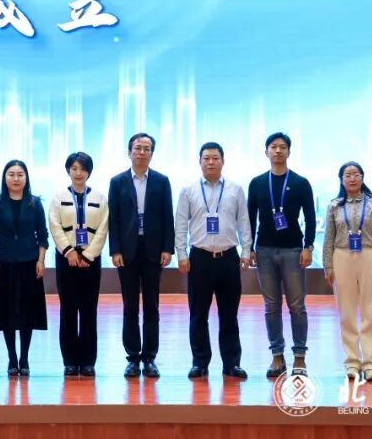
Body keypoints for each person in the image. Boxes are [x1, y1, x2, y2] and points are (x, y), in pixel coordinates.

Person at [175, 142, 252, 380]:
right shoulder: (188, 190)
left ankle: (231, 364)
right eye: (206, 158)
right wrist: (181, 254)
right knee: (198, 315)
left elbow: (243, 221)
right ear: (199, 161)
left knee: (229, 314)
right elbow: (181, 224)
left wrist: (246, 250)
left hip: (228, 258)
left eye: (215, 158)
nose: (211, 162)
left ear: (223, 161)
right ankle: (200, 363)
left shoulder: (235, 189)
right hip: (199, 258)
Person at [247, 132, 316, 377]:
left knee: (297, 306)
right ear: (266, 151)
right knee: (271, 306)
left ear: (289, 152)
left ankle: (300, 358)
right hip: (264, 251)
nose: (278, 150)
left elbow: (310, 217)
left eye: (282, 147)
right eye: (273, 147)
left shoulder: (300, 182)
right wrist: (249, 248)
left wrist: (308, 247)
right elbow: (249, 217)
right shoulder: (257, 183)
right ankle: (277, 356)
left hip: (293, 250)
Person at [107, 132, 174, 378]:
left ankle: (150, 358)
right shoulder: (117, 182)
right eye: (138, 148)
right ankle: (133, 357)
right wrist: (115, 249)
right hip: (127, 251)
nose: (142, 152)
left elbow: (168, 215)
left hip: (153, 250)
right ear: (130, 152)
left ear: (152, 153)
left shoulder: (161, 181)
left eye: (147, 148)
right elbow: (113, 218)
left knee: (152, 307)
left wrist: (168, 248)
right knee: (130, 306)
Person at [322, 161, 372, 383]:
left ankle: (371, 365)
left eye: (356, 174)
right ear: (341, 180)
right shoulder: (334, 206)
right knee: (347, 313)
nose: (352, 178)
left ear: (362, 178)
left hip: (369, 255)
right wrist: (328, 266)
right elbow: (328, 238)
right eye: (347, 175)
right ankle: (352, 363)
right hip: (342, 256)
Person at [48, 151, 109, 377]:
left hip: (90, 261)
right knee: (68, 310)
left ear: (89, 172)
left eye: (82, 169)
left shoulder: (100, 198)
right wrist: (69, 252)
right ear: (68, 171)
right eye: (74, 168)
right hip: (67, 260)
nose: (78, 173)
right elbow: (55, 226)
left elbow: (103, 228)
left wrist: (89, 255)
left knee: (89, 310)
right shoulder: (59, 197)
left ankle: (88, 361)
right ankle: (70, 361)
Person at [0, 160, 48, 376]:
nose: (16, 178)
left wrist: (41, 261)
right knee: (7, 312)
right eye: (11, 174)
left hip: (29, 263)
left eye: (20, 174)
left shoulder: (35, 203)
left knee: (27, 312)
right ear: (5, 177)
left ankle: (25, 358)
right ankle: (12, 357)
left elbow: (42, 235)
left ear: (26, 178)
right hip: (4, 263)